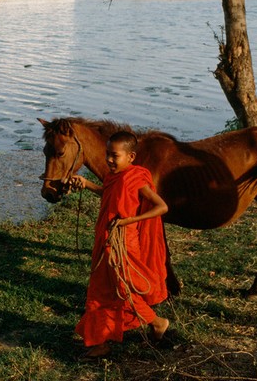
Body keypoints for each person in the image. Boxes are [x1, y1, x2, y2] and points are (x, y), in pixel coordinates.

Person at [69, 130, 170, 358]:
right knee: (100, 292)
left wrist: (128, 220)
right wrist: (86, 184)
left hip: (124, 243)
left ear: (131, 157)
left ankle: (158, 322)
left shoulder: (137, 178)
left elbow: (161, 207)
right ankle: (100, 342)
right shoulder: (113, 177)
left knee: (124, 290)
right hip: (106, 240)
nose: (109, 160)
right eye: (107, 155)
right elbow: (108, 194)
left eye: (115, 156)